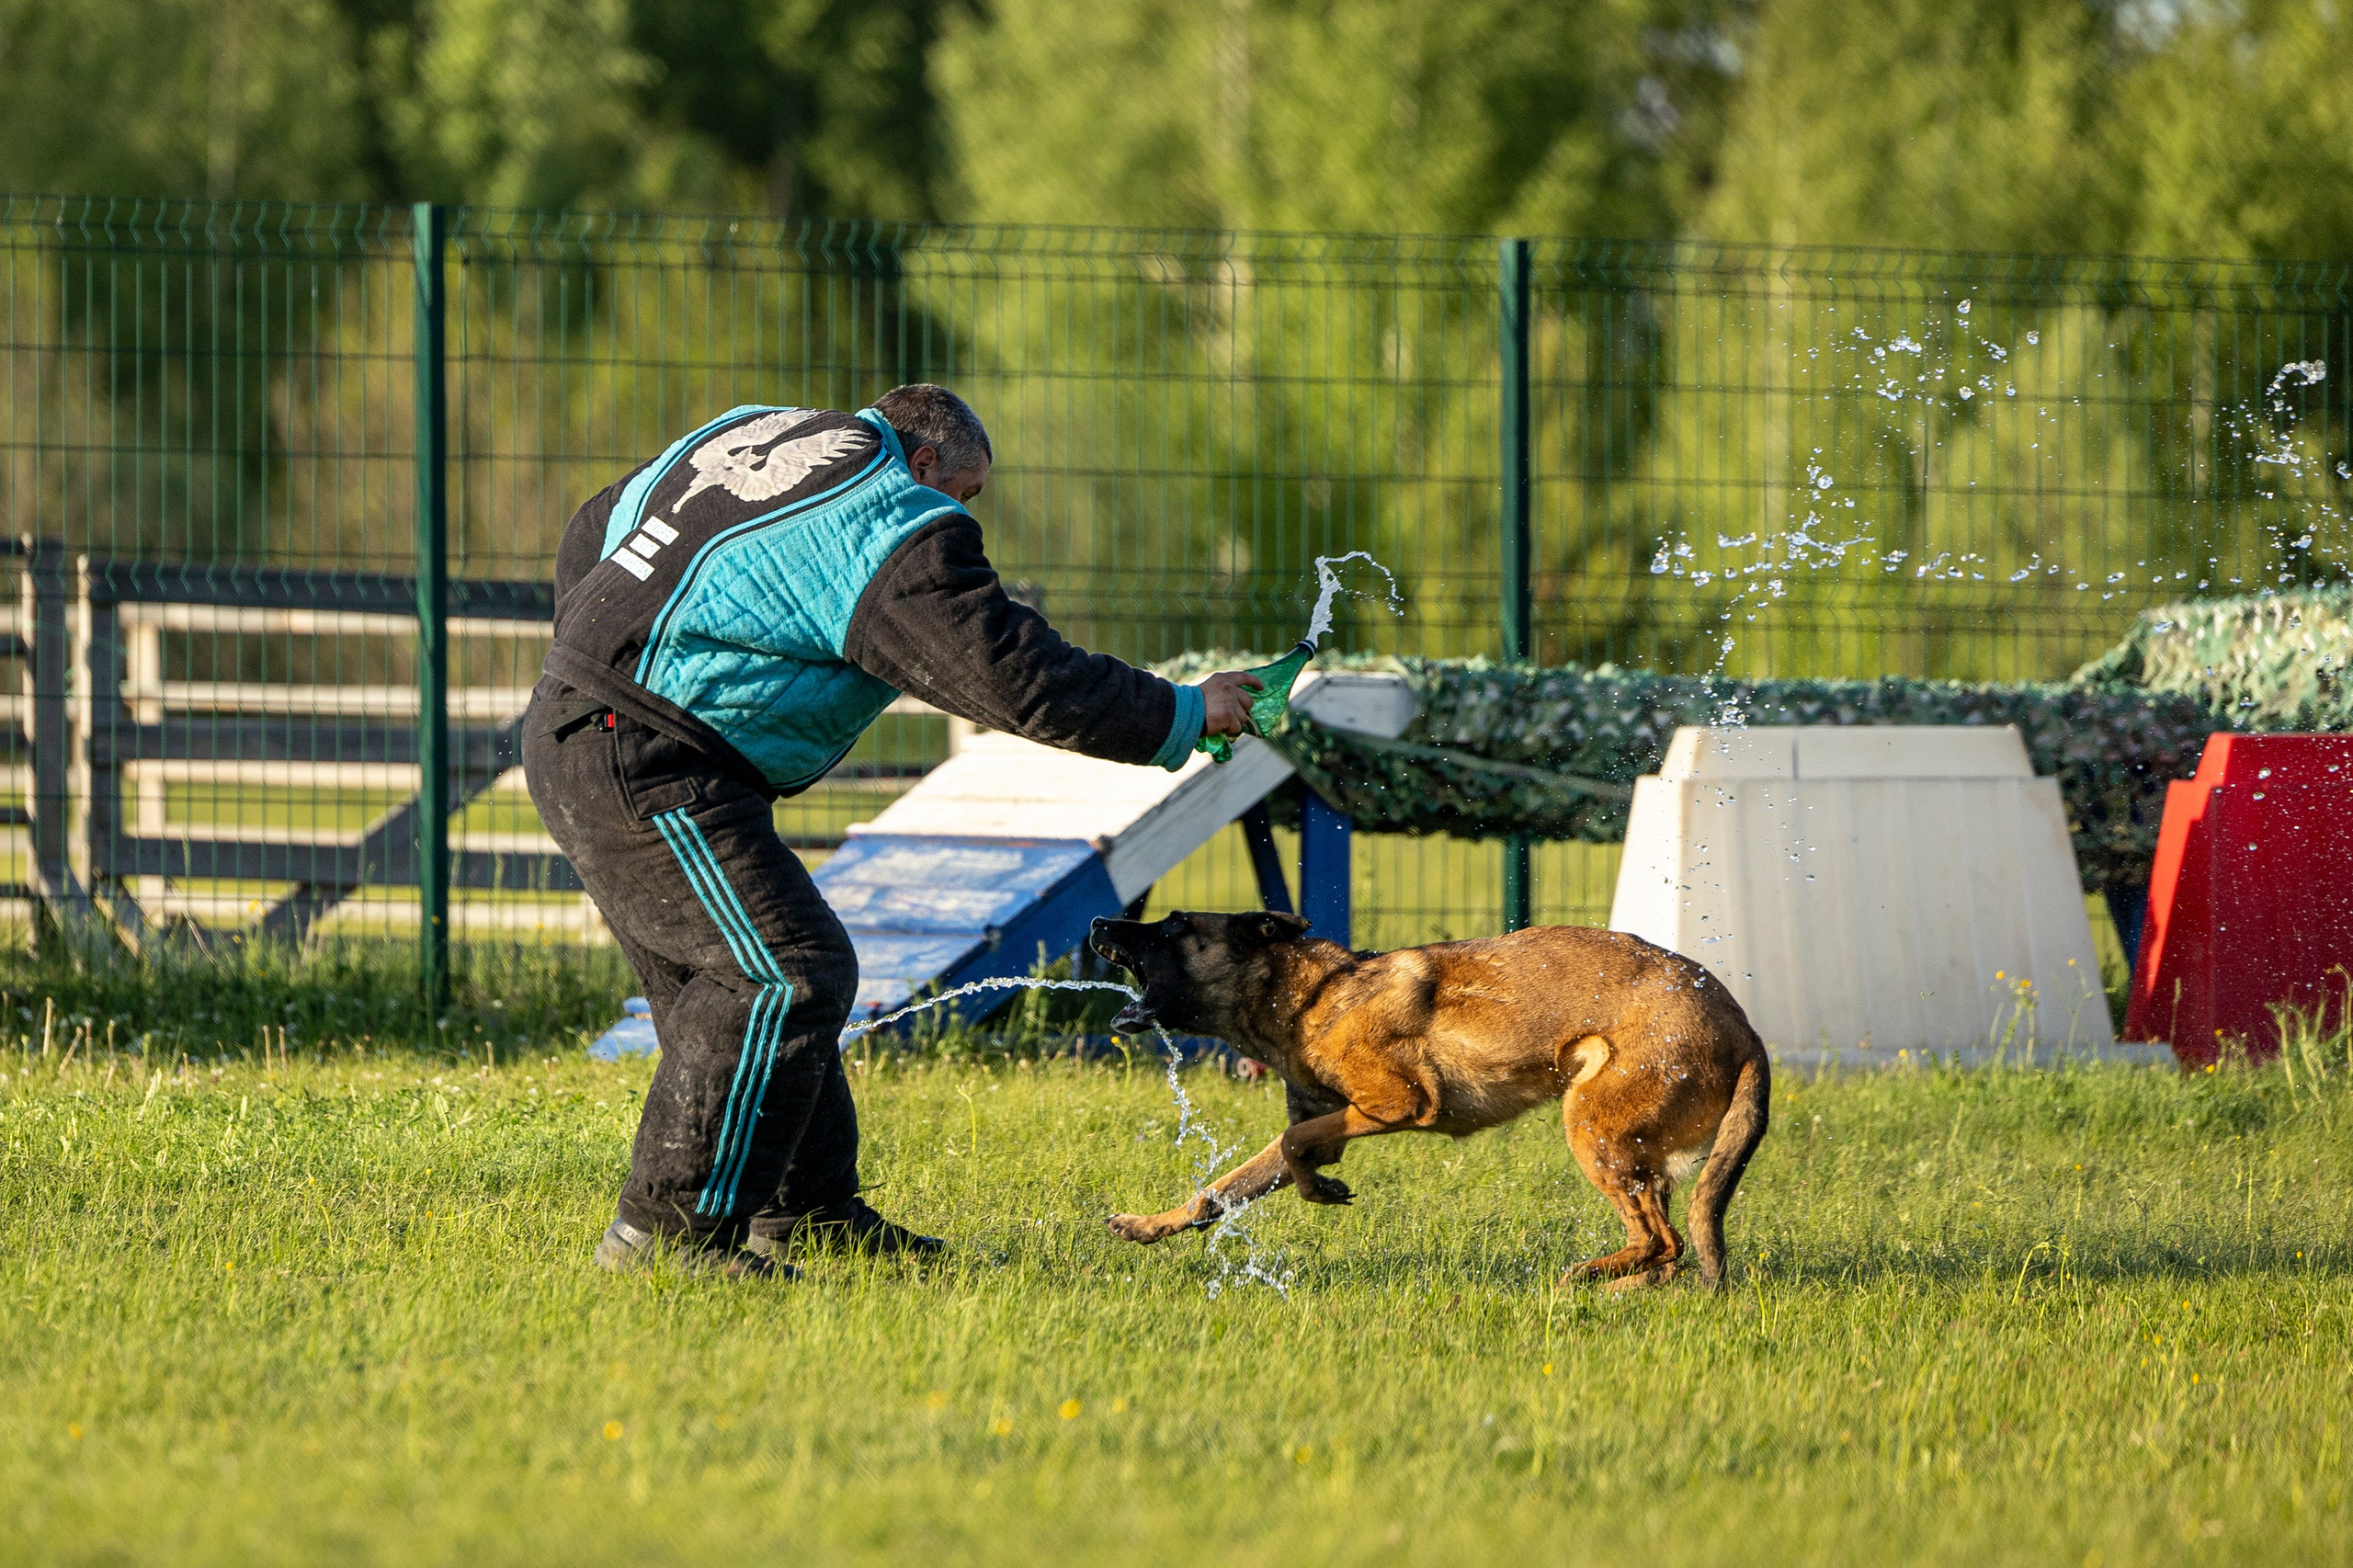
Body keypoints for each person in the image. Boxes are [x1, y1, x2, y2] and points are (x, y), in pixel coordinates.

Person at [521, 385, 1262, 1279]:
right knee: (781, 972)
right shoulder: (887, 514)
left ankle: (809, 1213)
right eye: (967, 493)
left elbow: (593, 527)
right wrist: (1181, 712)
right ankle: (667, 1245)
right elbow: (1010, 671)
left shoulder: (756, 433)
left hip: (602, 728)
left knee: (728, 984)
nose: (960, 517)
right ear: (924, 464)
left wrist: (600, 653)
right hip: (640, 751)